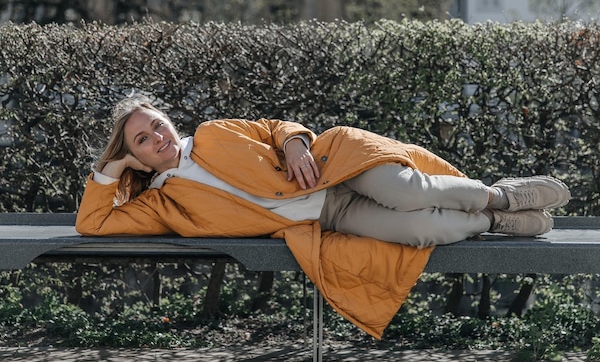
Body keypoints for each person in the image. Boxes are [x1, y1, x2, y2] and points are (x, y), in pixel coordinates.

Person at [76, 95, 570, 338]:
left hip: (336, 164)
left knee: (408, 191)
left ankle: (500, 196)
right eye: (142, 139)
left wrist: (293, 143)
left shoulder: (210, 133)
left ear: (170, 122)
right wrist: (111, 170)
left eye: (158, 125)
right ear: (135, 155)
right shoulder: (161, 204)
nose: (158, 138)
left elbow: (275, 127)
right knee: (422, 229)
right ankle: (493, 222)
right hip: (325, 217)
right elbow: (93, 225)